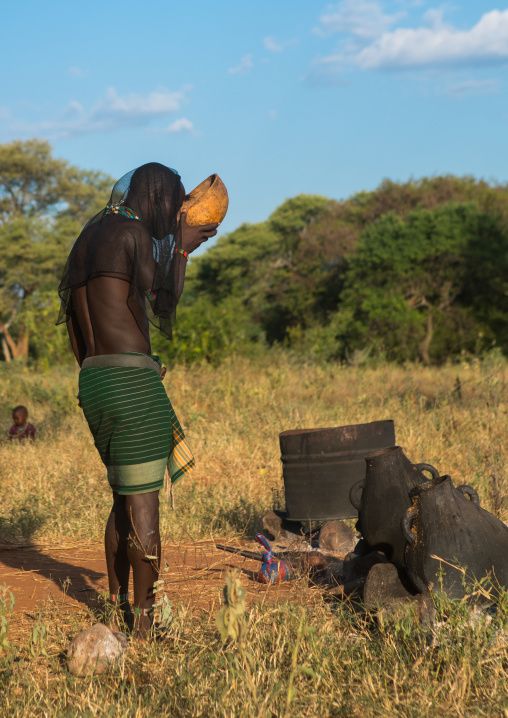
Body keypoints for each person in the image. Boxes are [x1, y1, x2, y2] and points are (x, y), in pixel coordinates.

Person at [57, 163, 218, 638]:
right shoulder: (131, 232)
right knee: (144, 505)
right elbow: (164, 298)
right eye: (172, 202)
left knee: (122, 497)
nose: (172, 212)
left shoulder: (87, 239)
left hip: (95, 380)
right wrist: (185, 246)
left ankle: (117, 606)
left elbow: (75, 324)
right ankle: (145, 625)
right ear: (155, 197)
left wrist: (101, 375)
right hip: (129, 382)